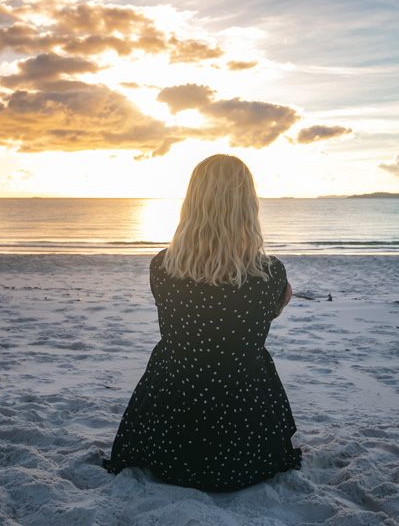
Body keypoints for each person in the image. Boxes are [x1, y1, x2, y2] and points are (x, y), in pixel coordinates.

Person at [102, 154, 301, 492]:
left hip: (170, 440)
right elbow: (276, 305)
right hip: (245, 445)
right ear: (248, 206)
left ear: (192, 203)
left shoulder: (162, 267)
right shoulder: (270, 274)